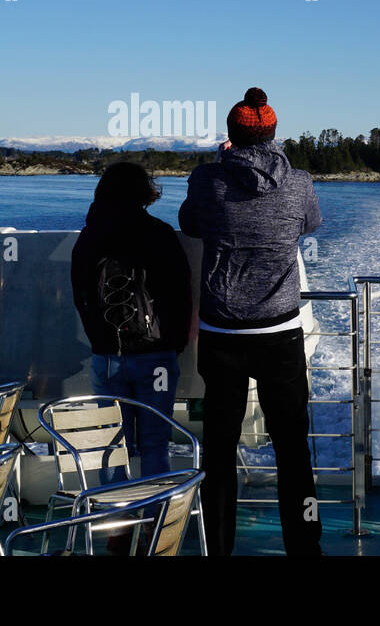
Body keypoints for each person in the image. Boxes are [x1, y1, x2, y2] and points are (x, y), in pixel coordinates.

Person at [178, 87, 323, 556]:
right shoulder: (298, 181)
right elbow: (309, 224)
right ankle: (304, 548)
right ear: (275, 134)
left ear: (230, 135)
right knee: (293, 449)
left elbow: (190, 225)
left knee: (219, 451)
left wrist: (224, 168)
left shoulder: (206, 181)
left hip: (222, 336)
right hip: (280, 333)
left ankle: (217, 548)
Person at [70, 162, 193, 485]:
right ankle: (153, 525)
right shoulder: (160, 233)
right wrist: (174, 345)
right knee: (155, 445)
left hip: (107, 356)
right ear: (145, 192)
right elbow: (181, 294)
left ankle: (118, 525)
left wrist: (99, 340)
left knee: (113, 445)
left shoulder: (89, 237)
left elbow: (80, 295)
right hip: (157, 356)